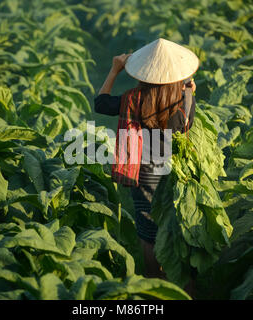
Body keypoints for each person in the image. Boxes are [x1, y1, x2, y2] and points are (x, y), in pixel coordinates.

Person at [94, 38, 198, 280]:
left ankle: (154, 283)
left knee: (148, 233)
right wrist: (189, 92)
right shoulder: (181, 101)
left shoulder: (132, 98)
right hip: (175, 171)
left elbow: (100, 104)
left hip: (144, 172)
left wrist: (114, 70)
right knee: (174, 224)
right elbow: (187, 123)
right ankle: (183, 284)